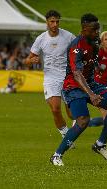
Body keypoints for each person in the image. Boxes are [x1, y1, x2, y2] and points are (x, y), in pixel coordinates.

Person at [50, 13, 107, 166]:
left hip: (90, 83)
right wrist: (91, 95)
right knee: (83, 121)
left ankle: (100, 144)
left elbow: (91, 66)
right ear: (84, 29)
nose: (97, 33)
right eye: (93, 30)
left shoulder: (94, 43)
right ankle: (56, 156)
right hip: (73, 87)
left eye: (98, 29)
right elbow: (76, 74)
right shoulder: (76, 46)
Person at [25, 10, 75, 138]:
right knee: (55, 109)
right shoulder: (41, 39)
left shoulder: (68, 36)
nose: (55, 24)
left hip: (67, 77)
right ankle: (66, 135)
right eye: (52, 21)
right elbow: (27, 61)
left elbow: (78, 51)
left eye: (57, 21)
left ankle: (78, 123)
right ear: (47, 22)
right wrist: (31, 60)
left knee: (72, 114)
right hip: (50, 78)